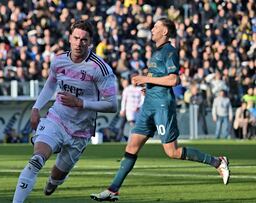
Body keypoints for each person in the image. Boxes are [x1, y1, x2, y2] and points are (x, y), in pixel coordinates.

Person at [90, 18, 230, 202]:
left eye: (156, 26)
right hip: (149, 104)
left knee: (172, 152)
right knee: (131, 146)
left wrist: (146, 80)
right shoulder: (156, 53)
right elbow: (159, 78)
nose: (152, 29)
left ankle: (217, 162)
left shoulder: (170, 51)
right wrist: (148, 87)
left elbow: (173, 80)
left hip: (162, 106)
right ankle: (113, 190)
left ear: (165, 32)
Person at [12, 20, 118, 203]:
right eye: (76, 38)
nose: (79, 43)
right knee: (36, 160)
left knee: (56, 178)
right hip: (57, 119)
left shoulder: (100, 69)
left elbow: (112, 105)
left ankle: (53, 182)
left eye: (84, 40)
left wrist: (80, 102)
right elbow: (50, 84)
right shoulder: (59, 61)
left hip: (80, 131)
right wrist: (36, 107)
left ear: (90, 42)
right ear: (70, 38)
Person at [119, 72, 145, 141]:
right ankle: (130, 139)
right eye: (133, 80)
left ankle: (132, 139)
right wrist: (122, 109)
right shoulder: (127, 89)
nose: (134, 81)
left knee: (136, 125)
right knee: (131, 123)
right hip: (129, 110)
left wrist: (139, 106)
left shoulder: (141, 89)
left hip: (138, 110)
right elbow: (124, 100)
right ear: (131, 80)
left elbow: (143, 99)